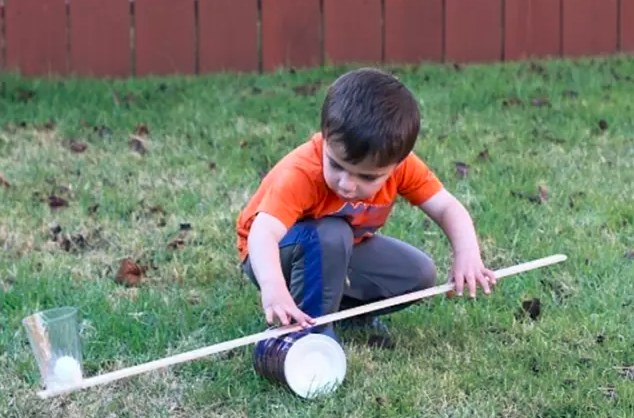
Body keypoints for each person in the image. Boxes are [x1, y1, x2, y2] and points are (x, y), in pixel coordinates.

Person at [235, 68, 496, 345]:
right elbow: (263, 233)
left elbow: (446, 207)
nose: (346, 185)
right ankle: (309, 338)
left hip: (339, 248)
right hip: (269, 254)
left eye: (367, 177)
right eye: (336, 165)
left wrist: (467, 253)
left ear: (397, 164)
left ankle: (343, 314)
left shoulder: (402, 168)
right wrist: (273, 287)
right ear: (324, 138)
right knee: (332, 233)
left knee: (418, 274)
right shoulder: (301, 174)